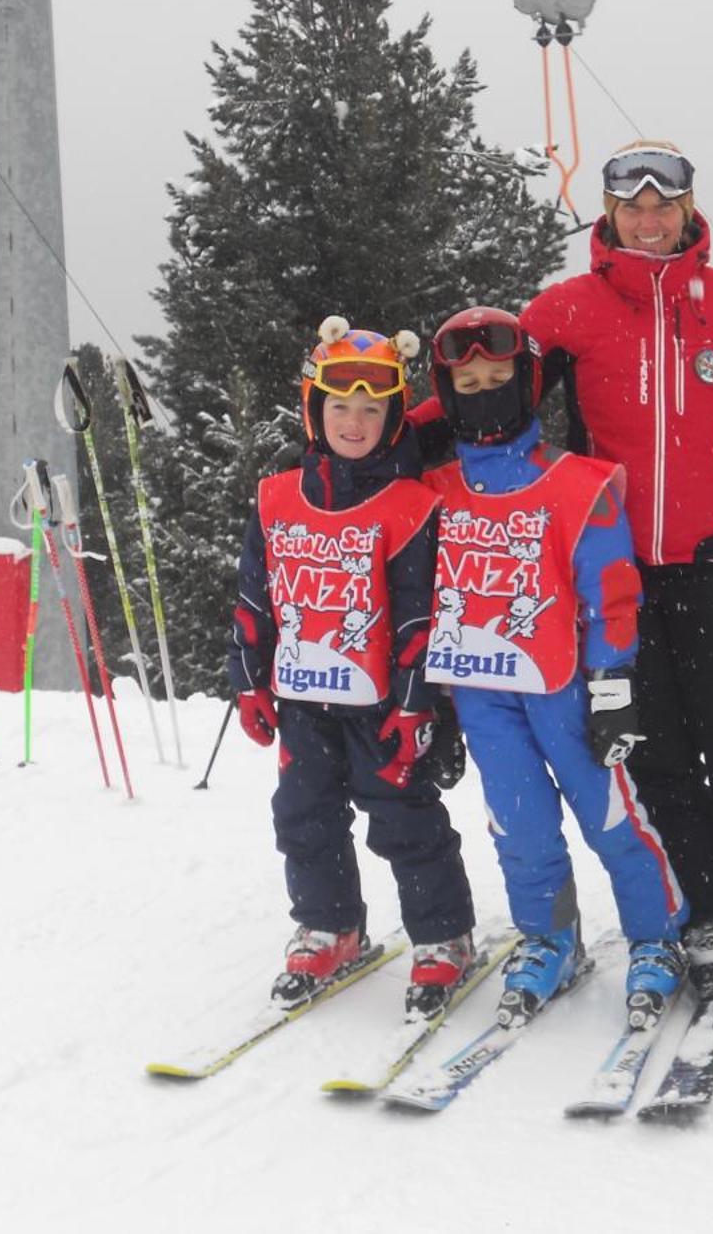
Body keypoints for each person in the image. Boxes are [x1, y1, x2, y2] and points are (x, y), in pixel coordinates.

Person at [509, 140, 713, 1000]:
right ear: (609, 216)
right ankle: (707, 913)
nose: (649, 219)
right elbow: (488, 403)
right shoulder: (566, 312)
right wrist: (385, 439)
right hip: (611, 572)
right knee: (654, 755)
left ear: (689, 211)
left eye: (665, 205)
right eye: (632, 206)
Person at [423, 307, 689, 1028]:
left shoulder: (582, 485)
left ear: (528, 383)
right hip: (481, 692)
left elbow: (613, 598)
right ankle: (550, 937)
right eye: (467, 383)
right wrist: (430, 705)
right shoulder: (436, 491)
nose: (483, 393)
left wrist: (612, 692)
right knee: (519, 825)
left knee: (609, 815)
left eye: (499, 379)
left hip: (564, 688)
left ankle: (658, 935)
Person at [227, 317, 478, 1018]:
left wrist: (414, 703)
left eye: (372, 409)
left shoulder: (409, 505)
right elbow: (256, 594)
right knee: (303, 814)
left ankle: (441, 935)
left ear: (395, 416)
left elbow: (418, 617)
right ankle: (331, 925)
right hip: (304, 695)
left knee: (401, 815)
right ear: (316, 410)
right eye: (340, 406)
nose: (355, 421)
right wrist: (247, 677)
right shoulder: (277, 495)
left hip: (379, 702)